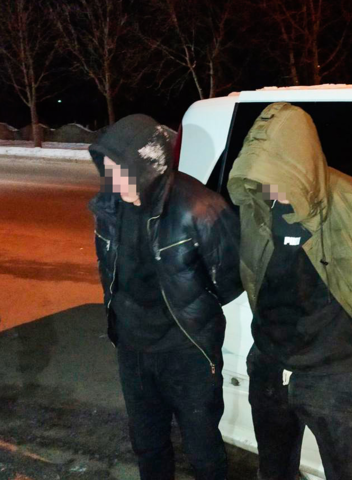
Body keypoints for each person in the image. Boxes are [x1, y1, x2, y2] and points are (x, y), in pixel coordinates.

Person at [227, 102, 352, 480]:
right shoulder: (256, 202)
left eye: (277, 177)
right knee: (272, 470)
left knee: (347, 475)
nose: (270, 189)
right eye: (261, 176)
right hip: (269, 365)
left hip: (333, 379)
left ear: (299, 164)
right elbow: (251, 273)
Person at [88, 114, 243, 480]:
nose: (113, 181)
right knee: (147, 445)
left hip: (187, 350)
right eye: (108, 171)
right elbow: (110, 272)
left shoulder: (200, 208)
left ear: (149, 166)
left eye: (121, 171)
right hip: (133, 349)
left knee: (203, 450)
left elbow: (232, 279)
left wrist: (189, 310)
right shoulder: (108, 209)